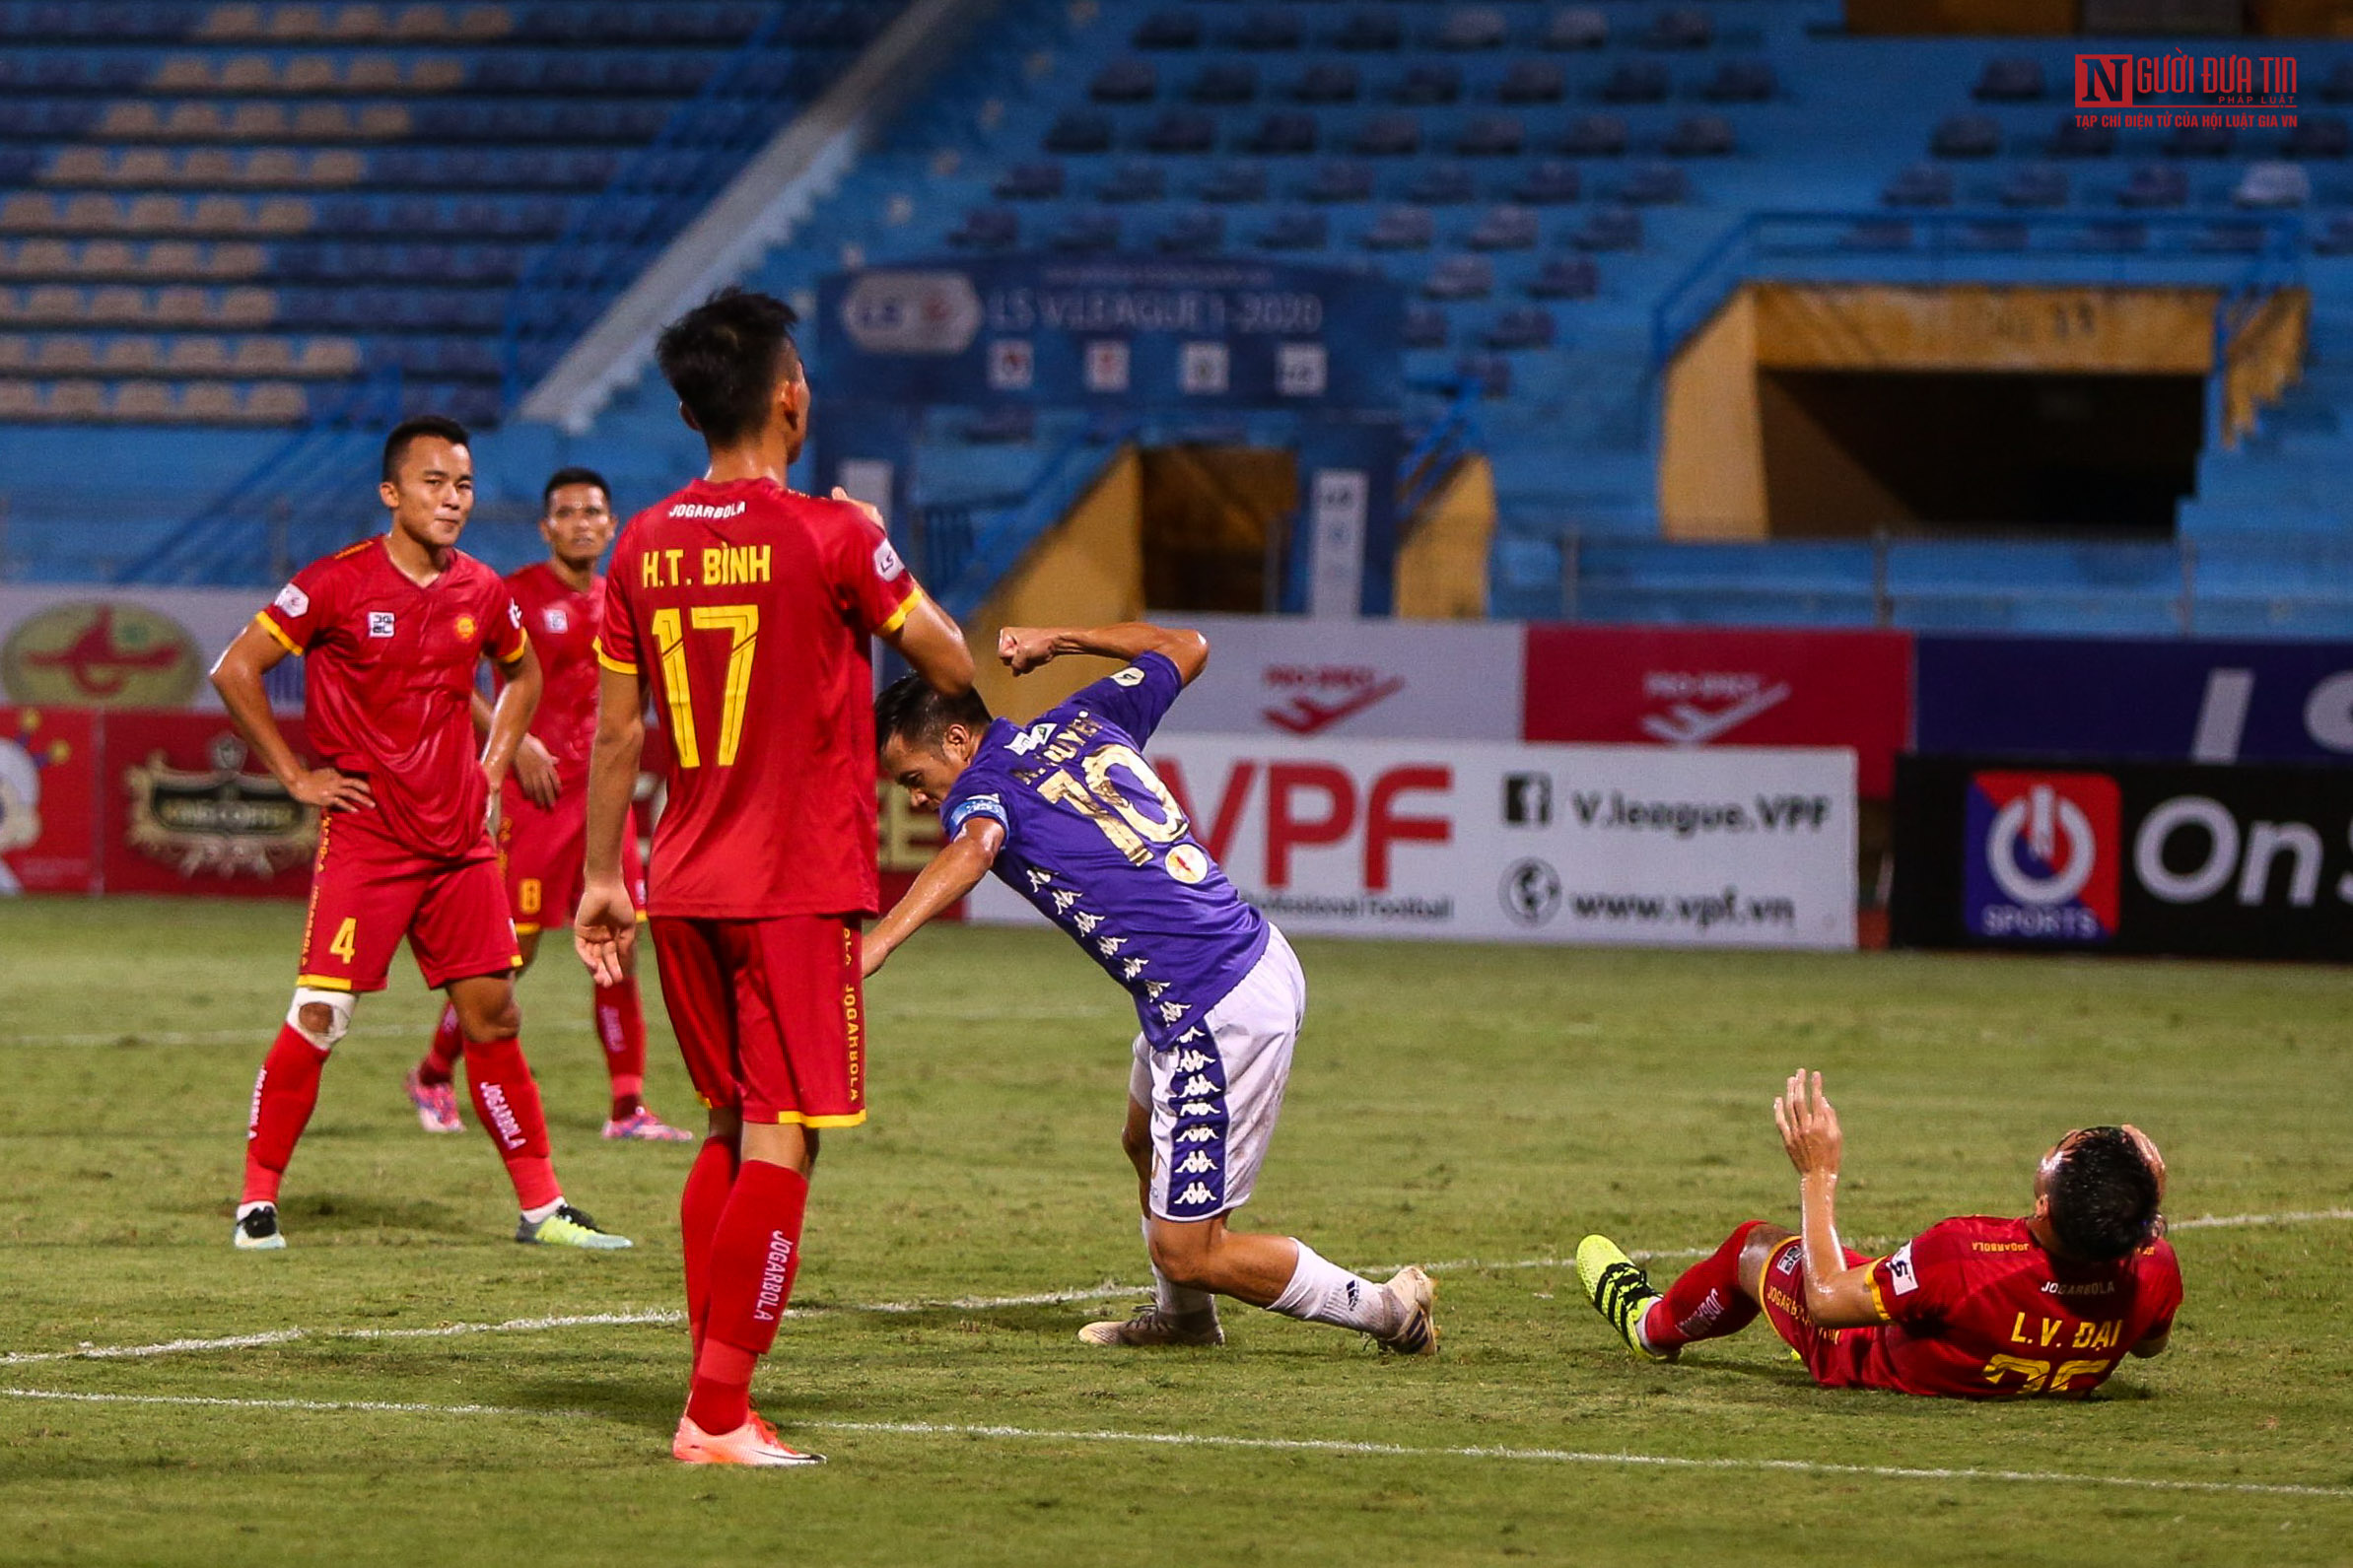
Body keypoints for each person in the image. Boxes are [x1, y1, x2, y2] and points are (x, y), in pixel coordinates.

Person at [573, 287, 975, 1467]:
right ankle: (713, 1411)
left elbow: (615, 733)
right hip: (794, 884)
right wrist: (874, 526)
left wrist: (604, 877)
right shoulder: (832, 534)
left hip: (682, 878)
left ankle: (711, 1388)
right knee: (784, 1134)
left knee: (726, 1122)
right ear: (791, 397)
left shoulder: (641, 542)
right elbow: (947, 664)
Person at [867, 620, 1439, 1361]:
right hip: (1236, 963)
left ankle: (1389, 1311)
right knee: (1140, 1138)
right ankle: (1185, 1321)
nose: (918, 799)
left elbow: (974, 848)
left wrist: (876, 940)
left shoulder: (981, 786)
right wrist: (1060, 639)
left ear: (955, 742)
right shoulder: (1084, 717)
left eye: (914, 779)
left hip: (1215, 1002)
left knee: (1189, 1250)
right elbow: (1189, 646)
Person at [210, 415, 631, 1254]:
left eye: (464, 485)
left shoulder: (480, 588)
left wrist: (493, 763)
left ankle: (543, 1207)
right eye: (435, 483)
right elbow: (235, 667)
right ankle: (258, 1200)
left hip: (460, 847)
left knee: (494, 1017)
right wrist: (297, 777)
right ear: (391, 493)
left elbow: (523, 671)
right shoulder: (335, 583)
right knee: (323, 1014)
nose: (452, 499)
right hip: (368, 840)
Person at [1576, 1070, 2180, 1398]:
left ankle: (1650, 1327)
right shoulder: (2151, 1266)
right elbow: (2148, 1343)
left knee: (1754, 1247)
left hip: (1866, 1352)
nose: (2052, 1149)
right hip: (1984, 1343)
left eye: (2057, 1155)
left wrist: (1819, 1173)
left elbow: (1828, 1299)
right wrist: (2141, 1201)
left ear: (2045, 1208)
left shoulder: (1966, 1255)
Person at [403, 466, 689, 1143]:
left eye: (593, 511)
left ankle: (627, 1107)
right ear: (546, 527)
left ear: (611, 524)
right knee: (506, 959)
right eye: (566, 512)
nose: (581, 522)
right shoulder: (515, 594)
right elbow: (449, 669)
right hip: (534, 806)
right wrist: (512, 737)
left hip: (603, 806)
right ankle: (434, 1073)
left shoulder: (628, 597)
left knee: (618, 946)